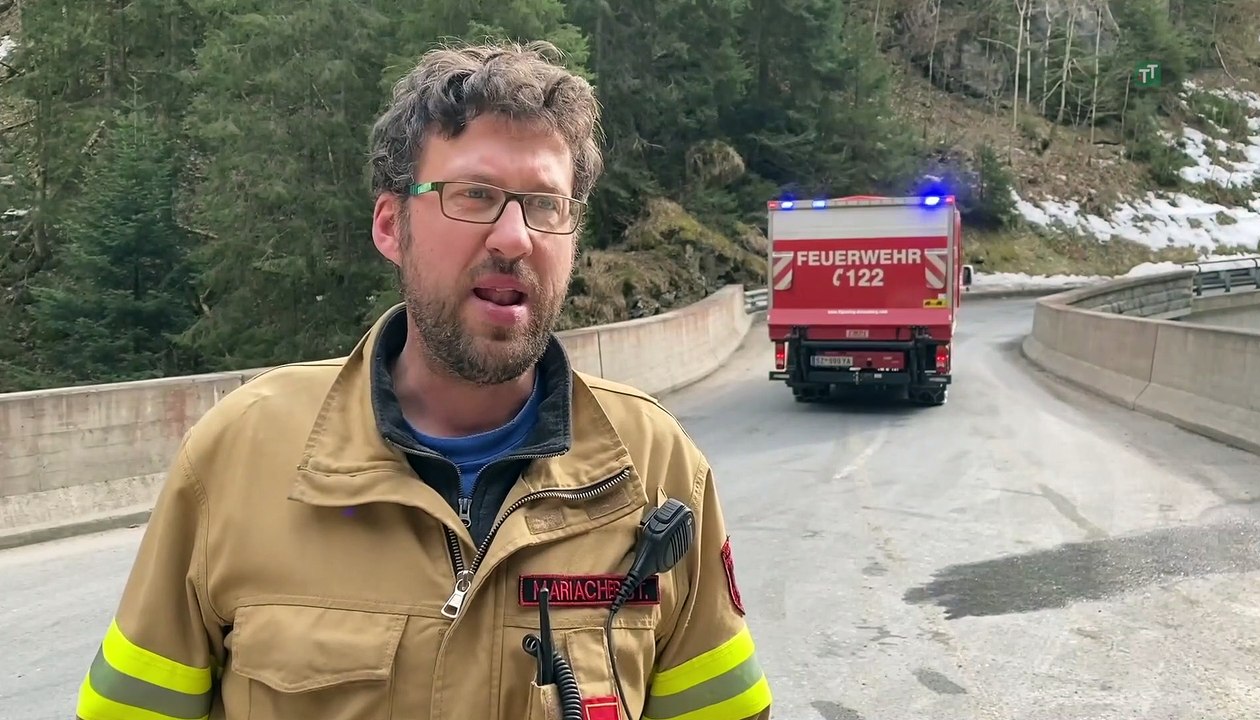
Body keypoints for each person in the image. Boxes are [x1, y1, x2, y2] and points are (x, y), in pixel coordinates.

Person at [74, 39, 772, 720]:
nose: (514, 237)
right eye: (474, 194)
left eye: (545, 204)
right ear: (391, 225)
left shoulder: (656, 468)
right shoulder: (239, 453)